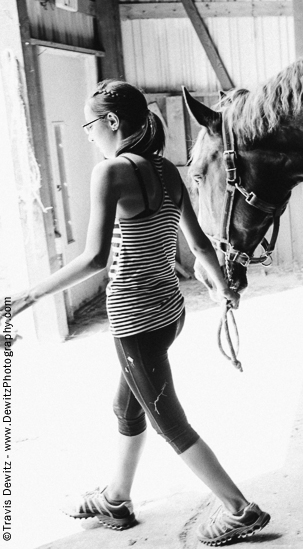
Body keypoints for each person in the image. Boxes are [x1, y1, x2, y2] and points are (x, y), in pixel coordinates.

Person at [9, 80, 270, 546]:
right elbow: (199, 245)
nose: (88, 134)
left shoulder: (109, 173)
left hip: (134, 319)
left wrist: (28, 297)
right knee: (126, 405)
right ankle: (116, 498)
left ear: (111, 122)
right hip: (170, 312)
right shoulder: (167, 170)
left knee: (168, 419)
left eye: (90, 124)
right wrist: (220, 284)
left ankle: (239, 510)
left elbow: (92, 259)